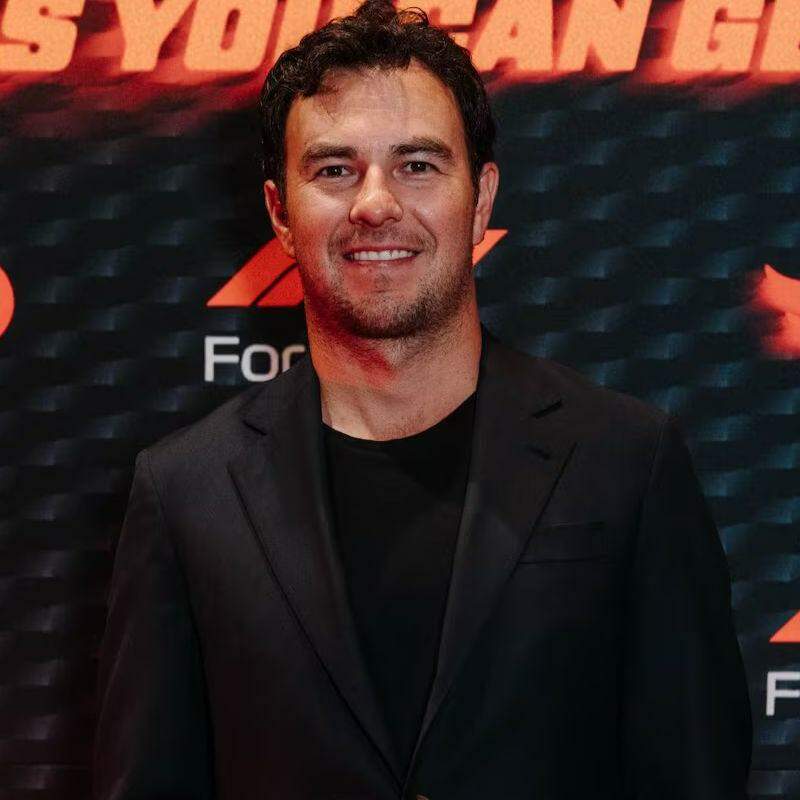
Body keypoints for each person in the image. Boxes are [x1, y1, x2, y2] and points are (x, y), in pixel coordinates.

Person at [93, 1, 752, 798]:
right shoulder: (187, 492)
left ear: (481, 199)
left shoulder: (625, 463)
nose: (375, 203)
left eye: (417, 165)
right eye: (334, 170)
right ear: (279, 213)